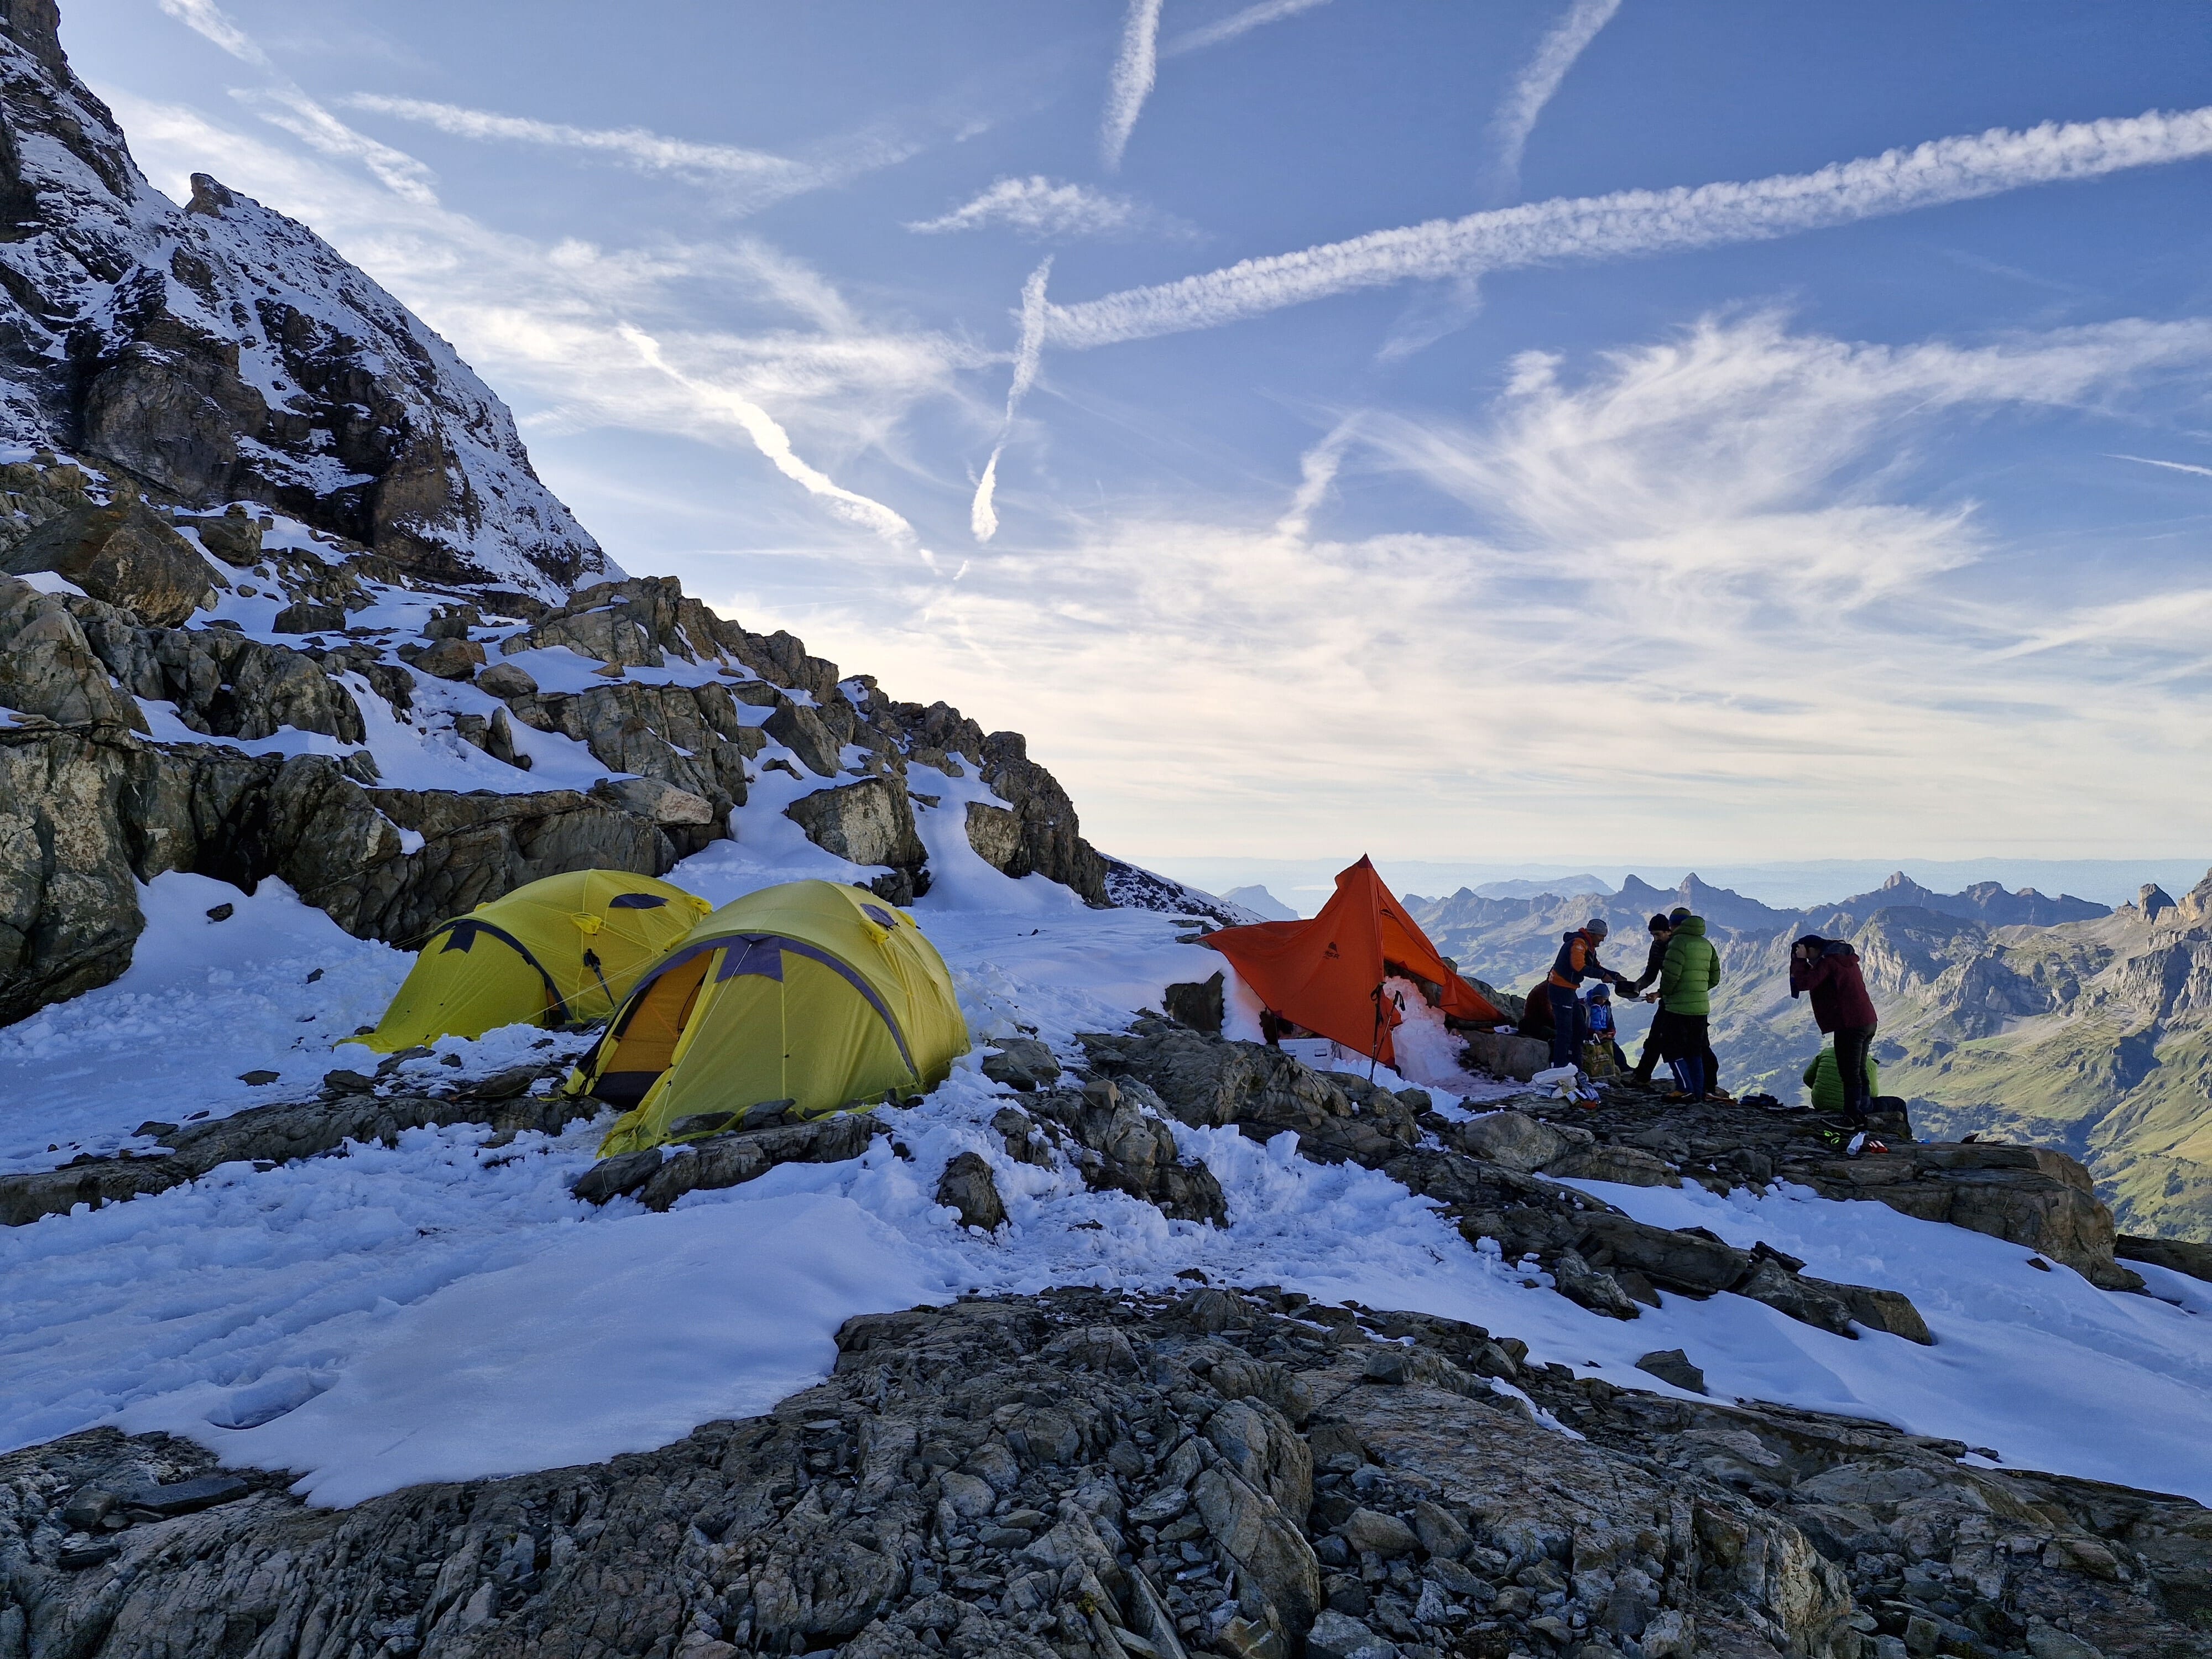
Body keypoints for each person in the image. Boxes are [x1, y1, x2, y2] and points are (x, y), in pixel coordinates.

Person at [1790, 935, 1879, 1125]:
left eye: (1806, 952)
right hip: (1868, 1020)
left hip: (1850, 1024)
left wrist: (1798, 960)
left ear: (1812, 949)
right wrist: (1804, 961)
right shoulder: (1843, 958)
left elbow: (1805, 983)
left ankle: (1852, 1116)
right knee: (1859, 1068)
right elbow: (1815, 978)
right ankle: (1863, 1111)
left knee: (1849, 1072)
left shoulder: (1829, 962)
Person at [1544, 917, 1631, 1070]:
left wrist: (1615, 976)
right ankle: (1559, 1067)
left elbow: (1595, 966)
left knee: (1580, 1028)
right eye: (1601, 937)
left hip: (1569, 990)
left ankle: (1575, 1067)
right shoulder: (1578, 943)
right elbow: (1578, 966)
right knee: (1565, 1031)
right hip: (1560, 989)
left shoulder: (1588, 946)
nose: (1602, 941)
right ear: (1593, 934)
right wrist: (1601, 975)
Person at [1655, 906, 1721, 1100]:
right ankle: (1699, 1092)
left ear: (1673, 925)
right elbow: (1715, 978)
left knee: (1671, 1048)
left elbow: (1670, 976)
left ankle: (1684, 1089)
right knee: (1695, 1050)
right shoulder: (1707, 944)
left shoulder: (1678, 943)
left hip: (1678, 1007)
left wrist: (1666, 994)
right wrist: (1698, 990)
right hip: (1701, 1008)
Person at [1624, 914, 1673, 1086]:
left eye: (1658, 934)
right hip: (1667, 999)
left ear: (1669, 931)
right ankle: (1642, 1075)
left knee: (1693, 1043)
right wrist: (1637, 988)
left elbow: (1679, 978)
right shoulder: (1657, 947)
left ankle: (1704, 1084)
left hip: (1680, 1000)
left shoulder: (1679, 946)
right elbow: (1651, 973)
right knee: (1654, 1038)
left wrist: (1659, 994)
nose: (1656, 938)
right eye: (1653, 935)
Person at [1802, 1042, 1879, 1114]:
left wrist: (1825, 1089)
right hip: (1852, 1107)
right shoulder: (1869, 1063)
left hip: (1820, 1104)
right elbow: (1874, 1093)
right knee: (1885, 1103)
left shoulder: (1826, 1053)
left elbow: (1807, 1078)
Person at [1585, 984, 1629, 1070]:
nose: (1602, 1001)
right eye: (1600, 998)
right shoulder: (1585, 1007)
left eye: (1605, 999)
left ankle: (1625, 1071)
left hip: (1604, 1035)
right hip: (1590, 1037)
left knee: (1618, 1055)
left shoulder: (1607, 1008)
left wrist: (1611, 1033)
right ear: (1595, 996)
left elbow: (1611, 1022)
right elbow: (1580, 1026)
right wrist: (1593, 1032)